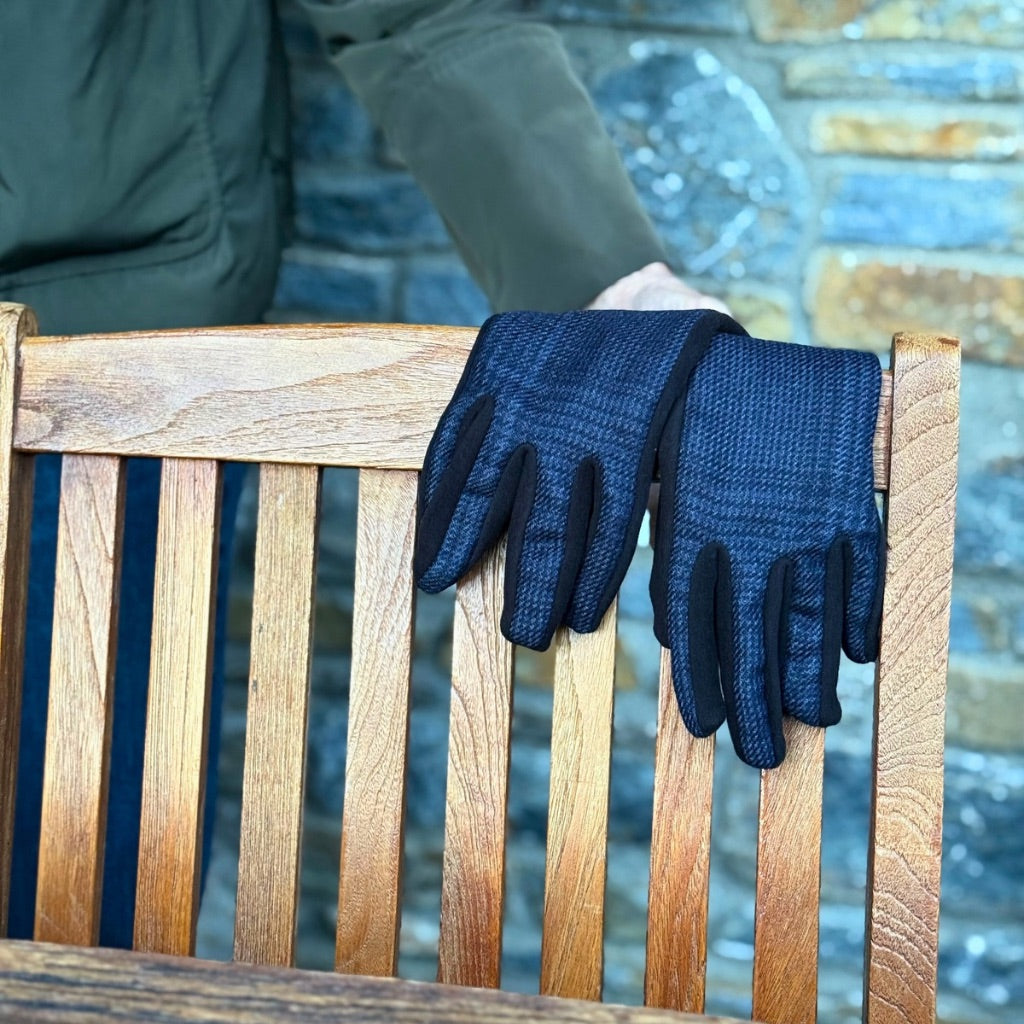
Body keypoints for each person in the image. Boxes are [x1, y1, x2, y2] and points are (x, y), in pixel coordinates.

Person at [0, 0, 723, 945]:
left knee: (68, 904)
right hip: (108, 343)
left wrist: (611, 280)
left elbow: (423, 12)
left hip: (99, 356)